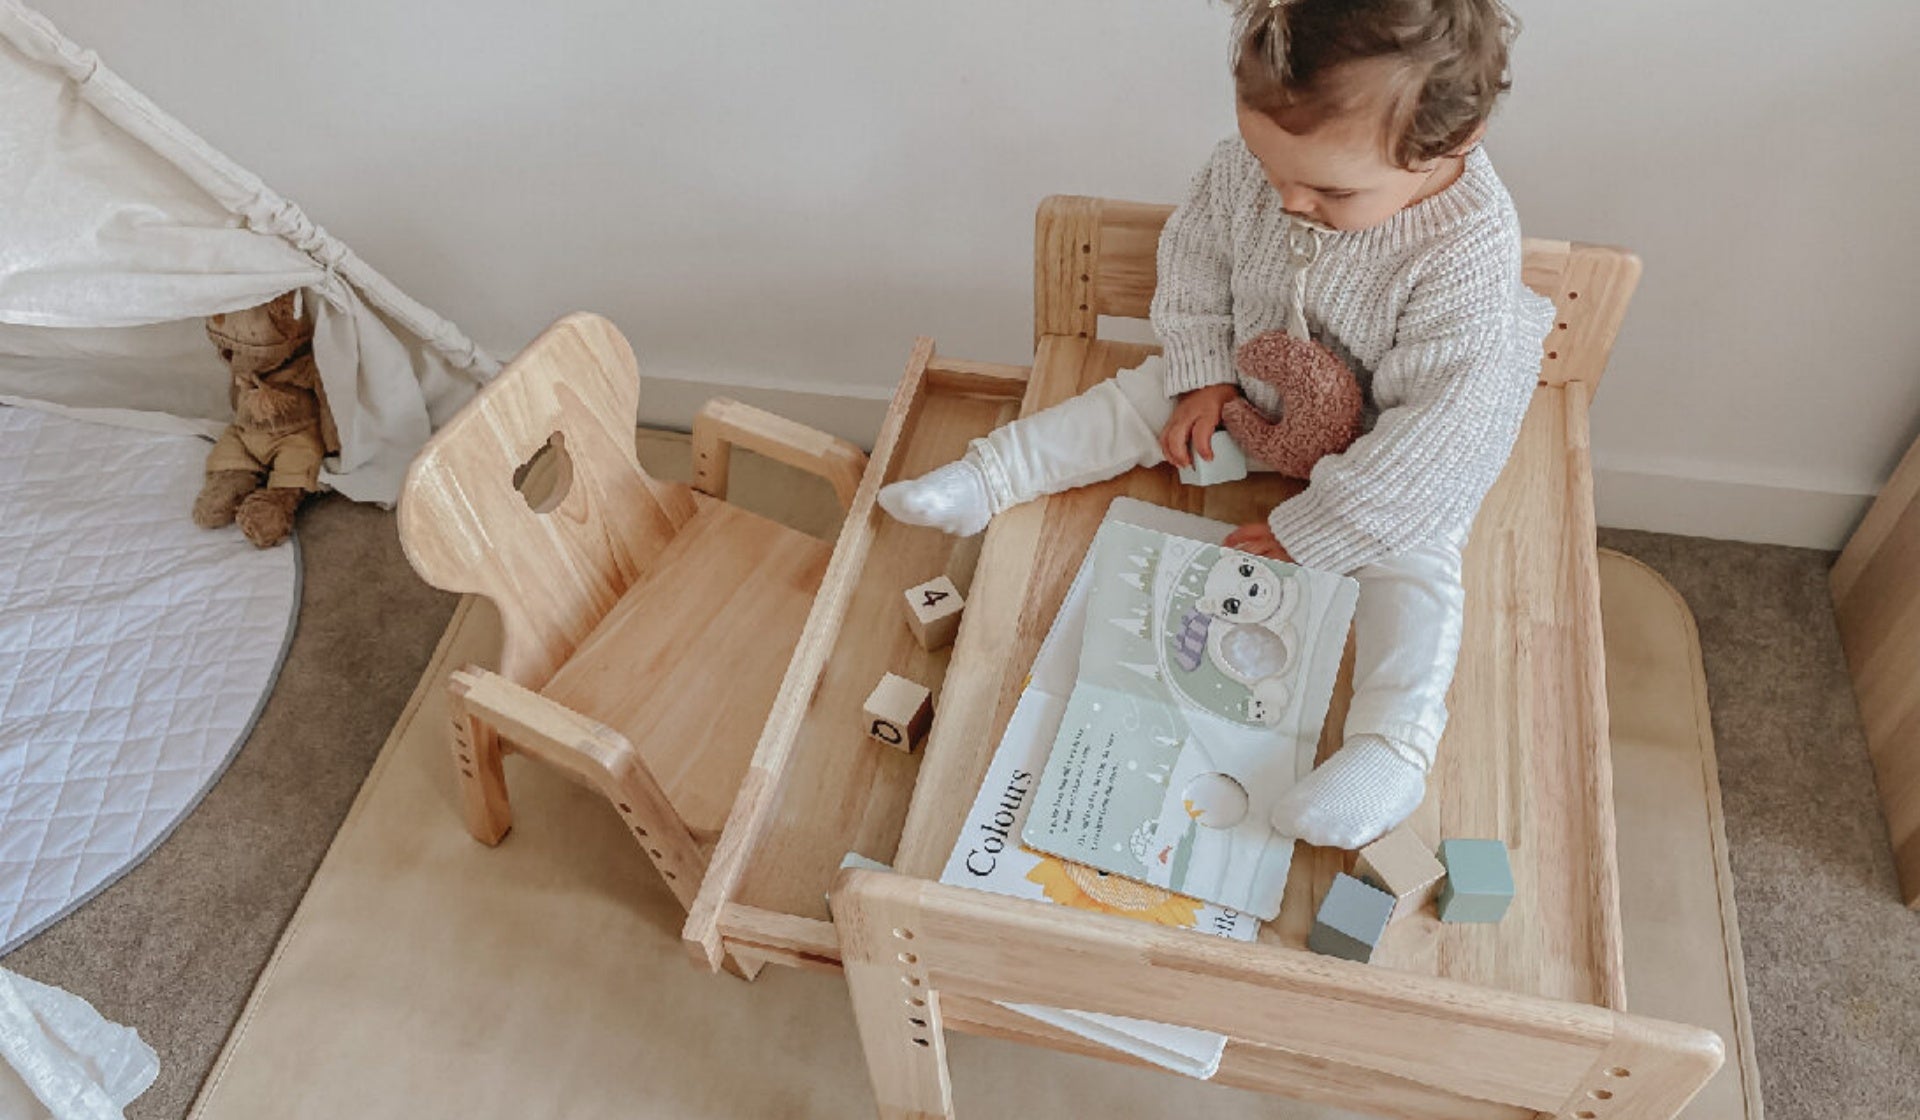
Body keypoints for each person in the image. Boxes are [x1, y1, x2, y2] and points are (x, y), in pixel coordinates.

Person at [879, 0, 1555, 849]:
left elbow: (1443, 441)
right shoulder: (1250, 172)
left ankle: (1391, 748)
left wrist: (1317, 527)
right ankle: (993, 476)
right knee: (1138, 399)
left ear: (1455, 143)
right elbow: (1195, 262)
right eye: (1273, 170)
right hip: (1255, 381)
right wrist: (1202, 374)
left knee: (1417, 569)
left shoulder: (1467, 259)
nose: (1290, 201)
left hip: (1389, 455)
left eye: (1330, 190)